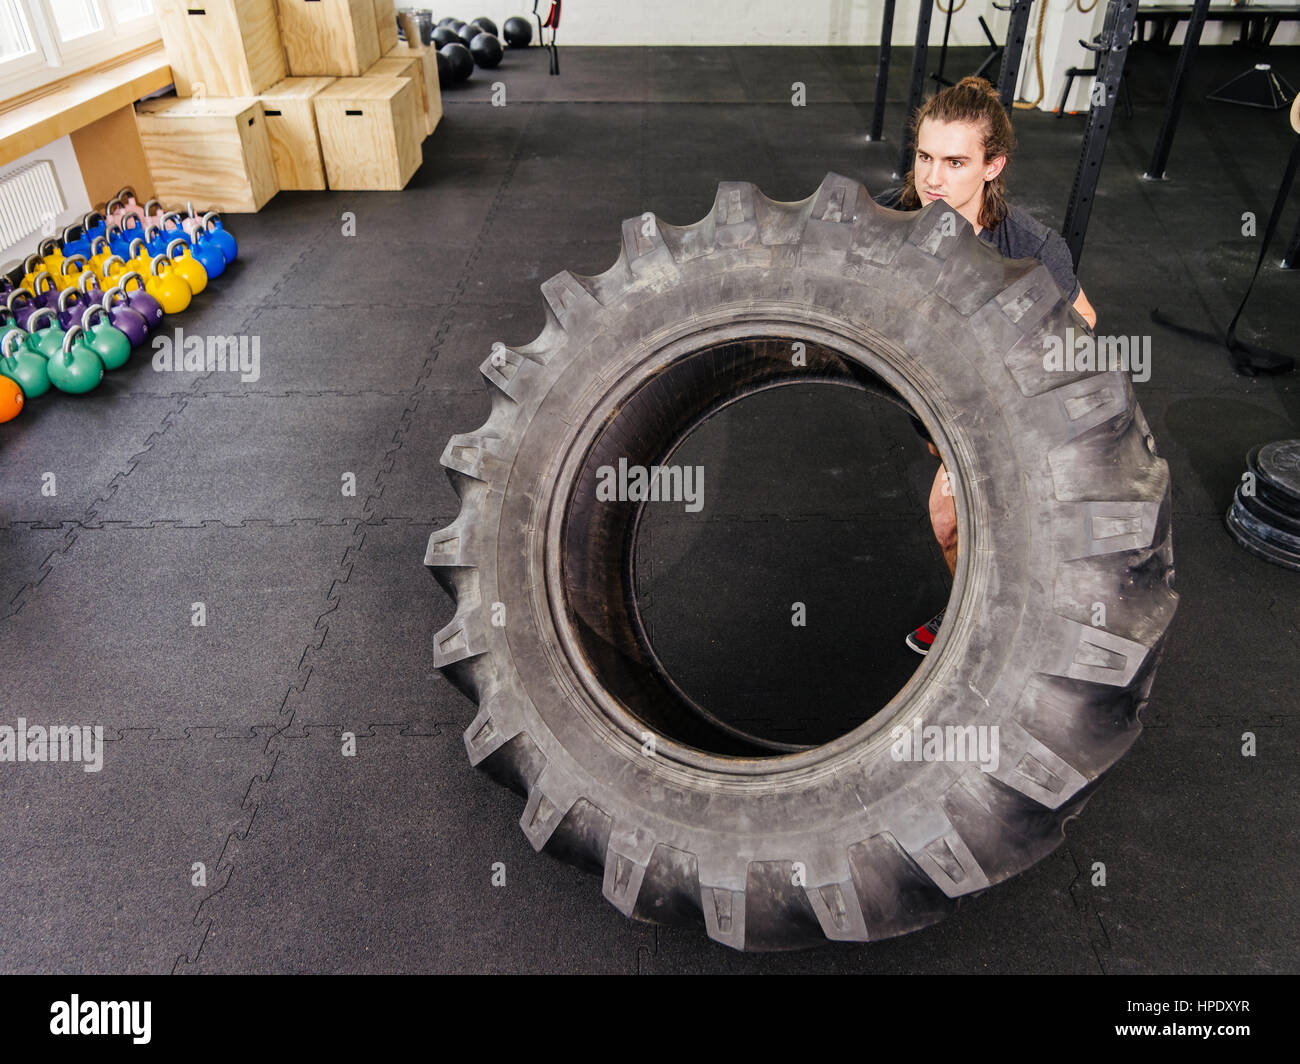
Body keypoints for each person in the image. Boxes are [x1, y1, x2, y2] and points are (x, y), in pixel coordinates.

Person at [872, 76, 1098, 656]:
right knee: (957, 517)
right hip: (932, 398)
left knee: (952, 521)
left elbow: (1083, 324)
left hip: (1004, 405)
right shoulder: (890, 221)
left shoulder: (1029, 246)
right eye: (924, 157)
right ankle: (977, 605)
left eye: (955, 161)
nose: (932, 179)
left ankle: (989, 633)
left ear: (992, 166)